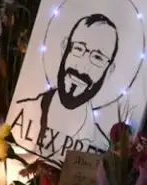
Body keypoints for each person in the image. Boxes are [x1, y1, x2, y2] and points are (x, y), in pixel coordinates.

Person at [14, 13, 119, 157]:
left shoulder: (101, 148)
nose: (81, 68)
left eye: (98, 57)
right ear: (64, 48)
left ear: (109, 70)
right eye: (78, 49)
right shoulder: (19, 112)